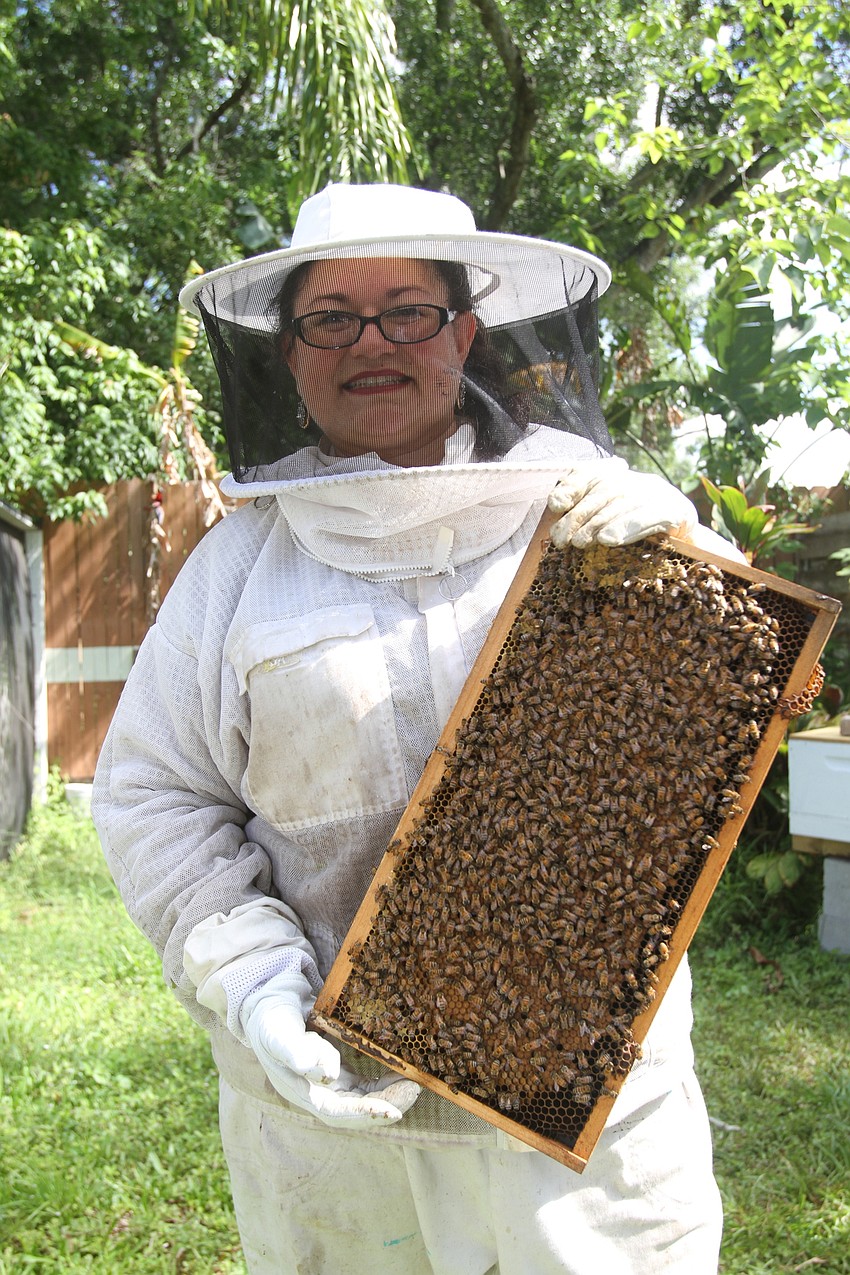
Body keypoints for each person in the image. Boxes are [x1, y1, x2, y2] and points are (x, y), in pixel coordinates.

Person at [92, 183, 737, 1274]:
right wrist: (251, 977)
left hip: (593, 1118)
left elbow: (729, 686)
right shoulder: (236, 570)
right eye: (330, 318)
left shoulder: (592, 511)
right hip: (335, 1122)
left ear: (464, 335)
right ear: (290, 354)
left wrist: (691, 564)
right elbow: (156, 791)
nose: (370, 342)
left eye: (407, 311)